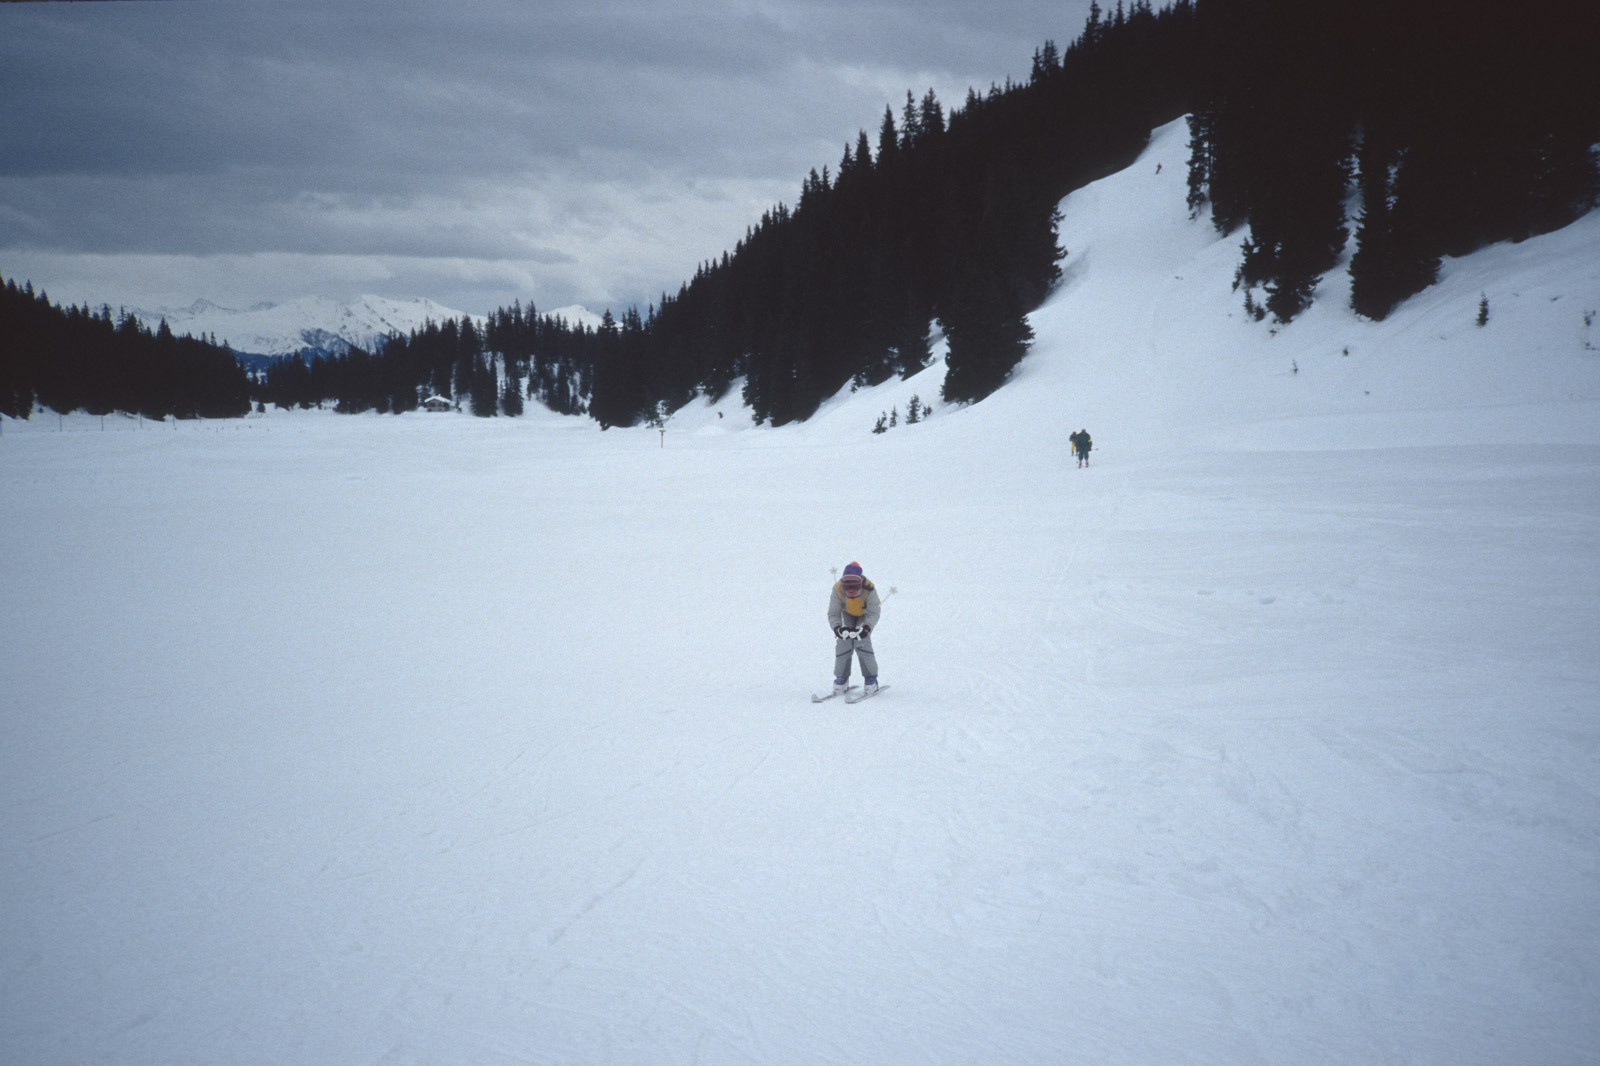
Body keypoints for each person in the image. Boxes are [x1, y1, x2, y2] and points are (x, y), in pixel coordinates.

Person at [828, 561, 881, 697]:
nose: (851, 590)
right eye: (847, 587)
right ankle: (841, 678)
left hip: (864, 615)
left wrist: (866, 628)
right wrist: (837, 628)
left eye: (855, 586)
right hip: (847, 613)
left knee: (862, 641)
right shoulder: (838, 589)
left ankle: (871, 678)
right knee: (843, 641)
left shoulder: (869, 589)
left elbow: (874, 612)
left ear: (860, 584)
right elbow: (833, 613)